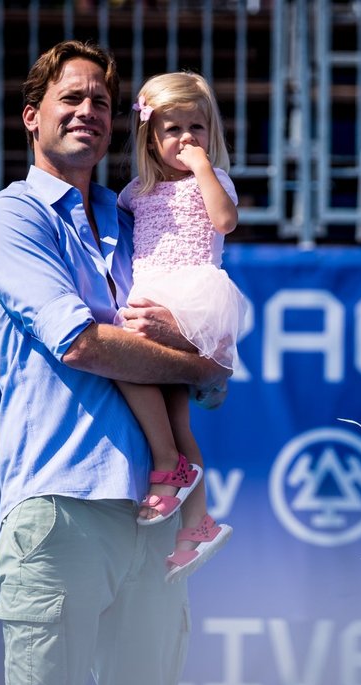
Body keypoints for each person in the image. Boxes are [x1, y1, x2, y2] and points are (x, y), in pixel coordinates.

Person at [0, 40, 230, 685]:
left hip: (151, 516)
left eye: (102, 102)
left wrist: (196, 356)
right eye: (72, 97)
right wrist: (192, 362)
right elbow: (81, 342)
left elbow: (212, 361)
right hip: (61, 507)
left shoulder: (137, 210)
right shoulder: (10, 217)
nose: (88, 110)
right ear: (32, 115)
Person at [114, 70, 242, 582]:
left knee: (125, 360)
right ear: (150, 136)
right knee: (176, 414)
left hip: (190, 301)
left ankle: (168, 465)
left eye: (197, 127)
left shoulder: (211, 180)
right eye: (172, 129)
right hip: (149, 292)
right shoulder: (135, 192)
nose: (186, 138)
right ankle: (198, 523)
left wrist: (203, 169)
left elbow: (225, 221)